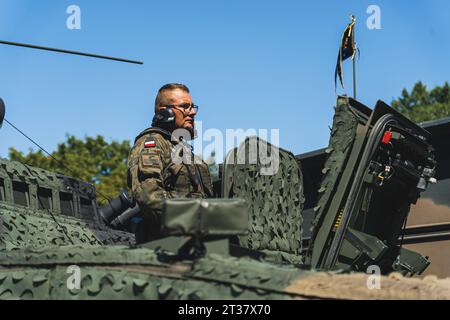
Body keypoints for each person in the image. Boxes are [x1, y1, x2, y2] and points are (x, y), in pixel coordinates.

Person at [127, 83, 214, 242]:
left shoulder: (186, 152)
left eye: (193, 107)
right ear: (164, 111)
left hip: (196, 243)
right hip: (166, 247)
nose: (192, 112)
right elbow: (149, 196)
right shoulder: (152, 143)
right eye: (185, 107)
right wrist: (191, 221)